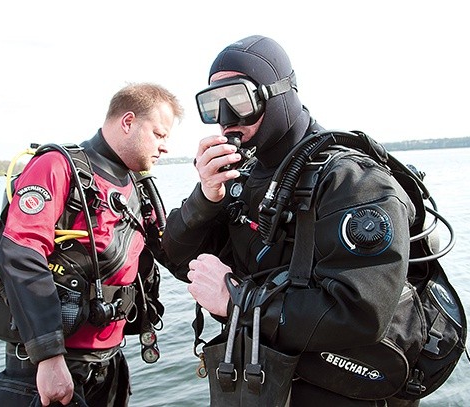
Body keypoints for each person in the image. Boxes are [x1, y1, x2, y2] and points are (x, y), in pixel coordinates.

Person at [162, 35, 418, 406]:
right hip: (266, 382)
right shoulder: (242, 179)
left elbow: (360, 314)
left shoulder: (353, 181)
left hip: (344, 388)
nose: (226, 121)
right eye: (213, 106)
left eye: (238, 100)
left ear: (278, 94)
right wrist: (205, 198)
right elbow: (179, 260)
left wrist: (236, 301)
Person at [0, 83, 183, 407]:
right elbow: (20, 253)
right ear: (128, 122)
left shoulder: (137, 188)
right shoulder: (58, 166)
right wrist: (48, 355)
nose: (164, 147)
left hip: (109, 366)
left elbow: (172, 250)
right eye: (158, 134)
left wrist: (210, 201)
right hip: (50, 368)